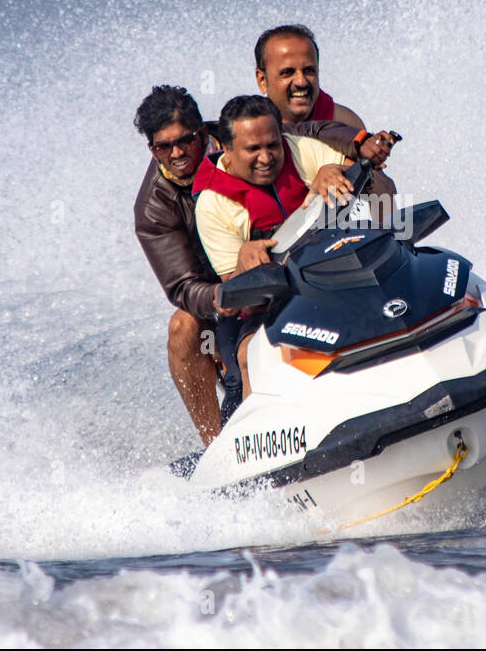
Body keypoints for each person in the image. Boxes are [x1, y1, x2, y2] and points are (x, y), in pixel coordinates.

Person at [133, 85, 394, 445]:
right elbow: (183, 288)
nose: (178, 152)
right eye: (164, 146)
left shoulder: (249, 136)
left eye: (187, 140)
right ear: (152, 149)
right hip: (228, 295)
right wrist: (241, 278)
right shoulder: (155, 209)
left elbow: (307, 132)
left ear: (207, 134)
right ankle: (218, 447)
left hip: (306, 264)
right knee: (185, 327)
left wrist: (347, 153)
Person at [194, 94, 399, 392]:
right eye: (253, 149)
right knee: (250, 355)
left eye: (272, 145)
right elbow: (234, 293)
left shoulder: (299, 149)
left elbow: (366, 177)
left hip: (335, 280)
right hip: (268, 309)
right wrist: (244, 261)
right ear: (227, 149)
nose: (266, 158)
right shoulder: (213, 204)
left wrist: (333, 170)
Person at [254, 23, 397, 206]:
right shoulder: (245, 130)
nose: (301, 81)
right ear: (262, 80)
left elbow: (383, 193)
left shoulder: (343, 121)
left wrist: (341, 171)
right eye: (288, 72)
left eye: (309, 71)